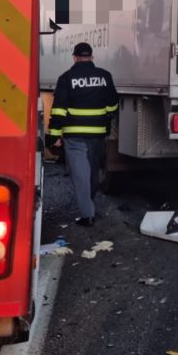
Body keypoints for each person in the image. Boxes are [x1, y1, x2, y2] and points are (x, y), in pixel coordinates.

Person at [45, 42, 119, 227]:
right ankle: (90, 205)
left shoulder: (66, 78)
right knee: (93, 172)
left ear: (75, 57)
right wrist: (104, 117)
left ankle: (88, 215)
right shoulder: (105, 76)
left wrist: (52, 137)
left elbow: (59, 110)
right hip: (98, 135)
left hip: (74, 135)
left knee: (80, 174)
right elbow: (113, 105)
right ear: (92, 57)